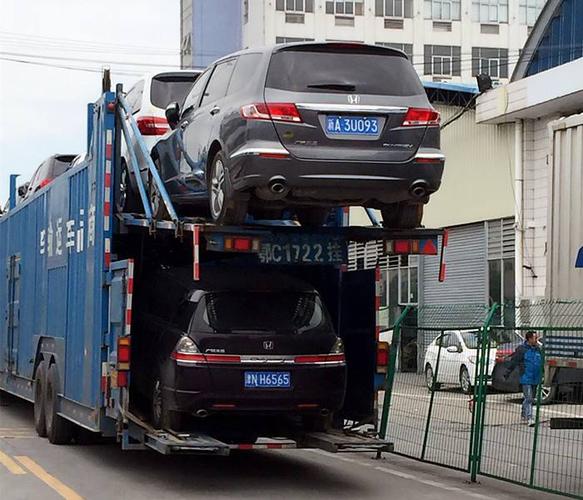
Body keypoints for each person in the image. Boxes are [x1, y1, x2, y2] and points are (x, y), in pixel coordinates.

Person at [505, 330, 543, 427]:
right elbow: (514, 361)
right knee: (529, 398)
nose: (537, 340)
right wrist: (507, 373)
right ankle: (530, 418)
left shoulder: (538, 349)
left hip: (536, 378)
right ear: (529, 339)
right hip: (526, 377)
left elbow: (542, 362)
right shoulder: (522, 350)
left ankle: (523, 413)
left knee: (530, 398)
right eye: (535, 338)